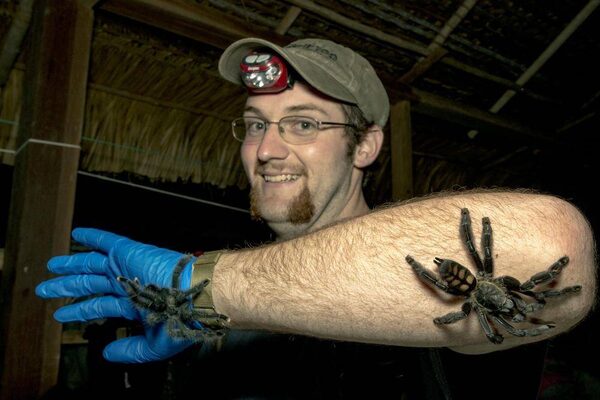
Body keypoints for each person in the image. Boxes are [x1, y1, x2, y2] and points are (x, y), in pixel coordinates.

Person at [36, 38, 595, 399]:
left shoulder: (216, 284)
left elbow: (552, 243)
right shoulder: (220, 295)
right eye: (256, 124)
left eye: (304, 124)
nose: (266, 149)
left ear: (365, 145)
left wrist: (207, 286)